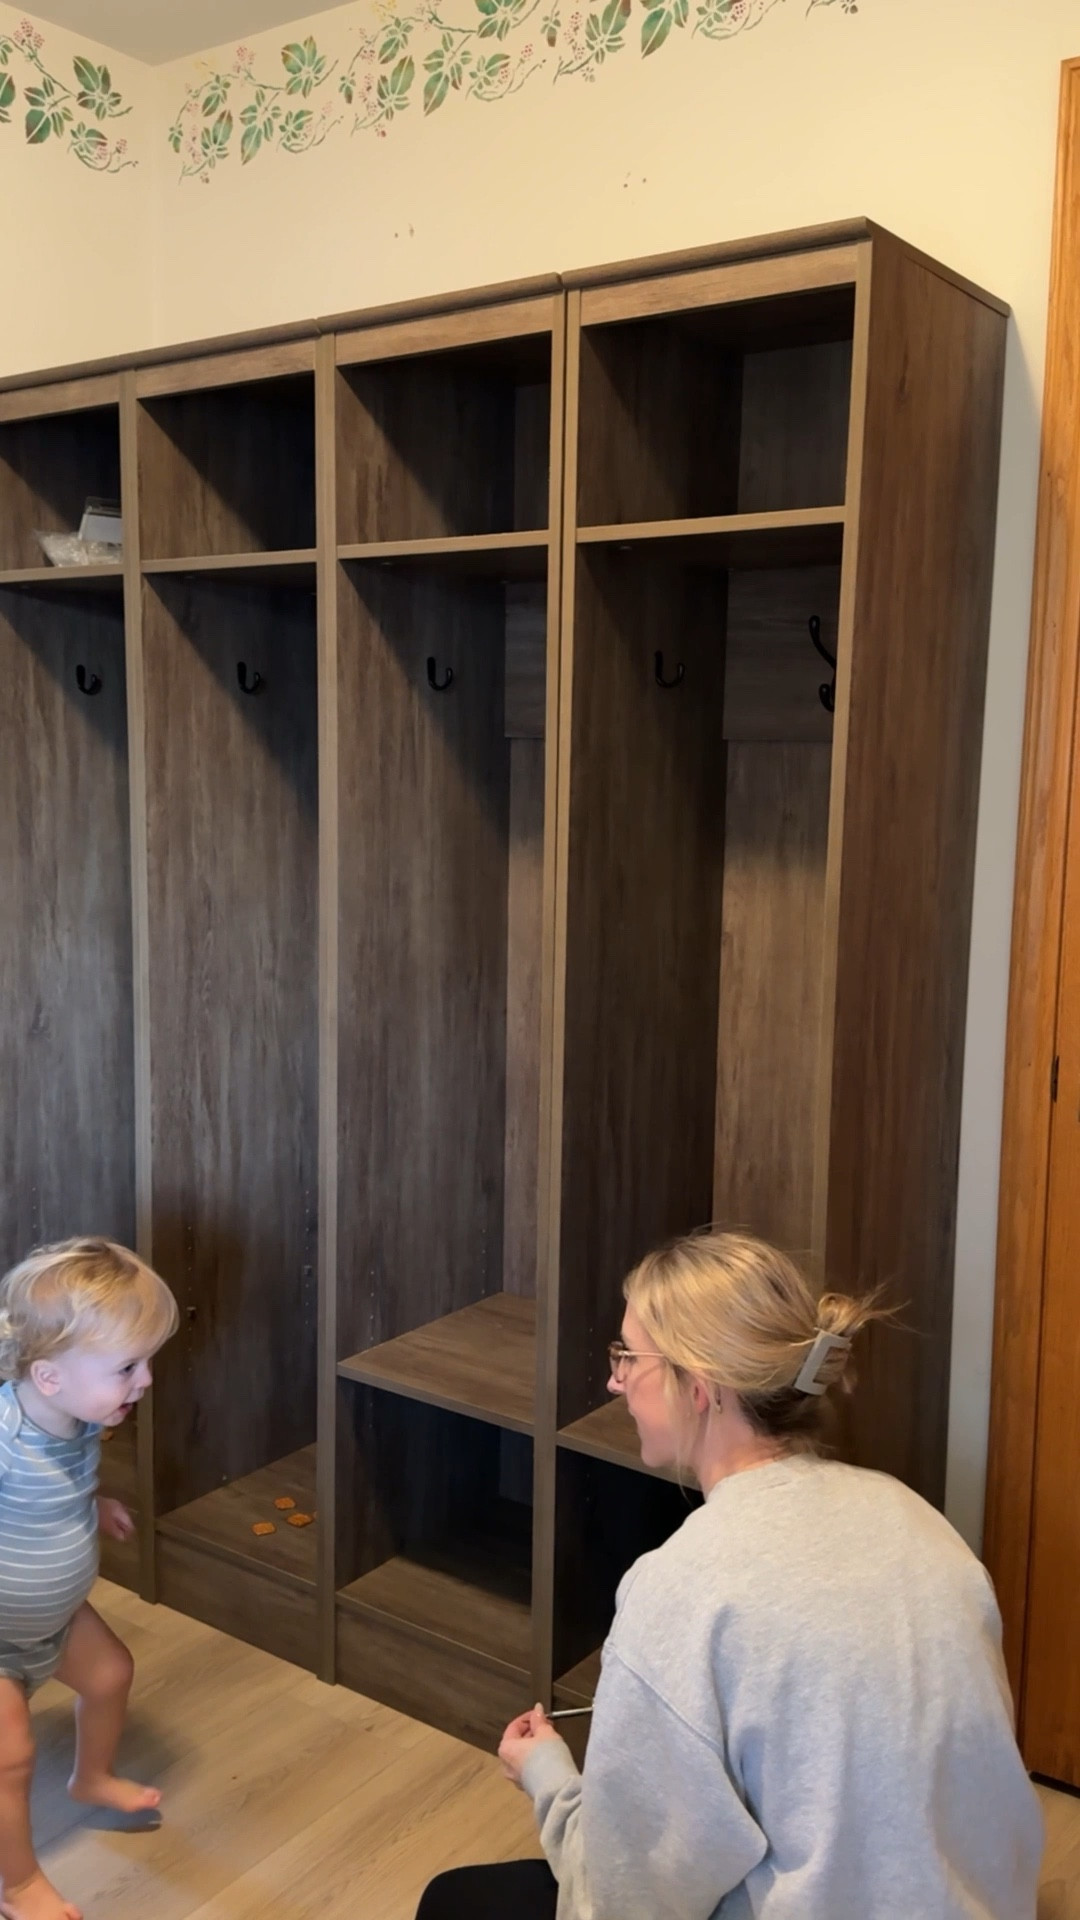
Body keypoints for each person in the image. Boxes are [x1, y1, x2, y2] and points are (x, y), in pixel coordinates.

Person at [416, 1229, 1043, 1919]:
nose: (613, 1379)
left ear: (701, 1386)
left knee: (453, 1901)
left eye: (628, 1356)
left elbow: (625, 1901)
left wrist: (550, 1781)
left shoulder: (682, 1590)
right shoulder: (923, 1525)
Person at [0, 1236, 178, 1920]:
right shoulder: (7, 1443)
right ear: (50, 1376)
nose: (147, 1379)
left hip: (55, 1614)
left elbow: (54, 1484)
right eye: (129, 1365)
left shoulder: (76, 1416)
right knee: (10, 1755)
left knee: (110, 1674)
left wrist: (90, 1505)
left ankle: (91, 1778)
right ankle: (17, 1884)